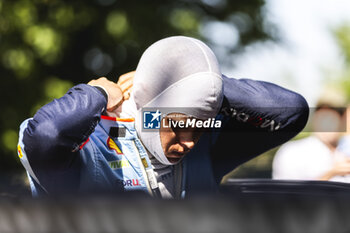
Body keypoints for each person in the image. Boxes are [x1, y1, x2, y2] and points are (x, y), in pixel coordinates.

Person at [17, 36, 309, 198]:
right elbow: (46, 135)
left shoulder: (207, 145)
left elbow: (292, 112)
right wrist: (96, 96)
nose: (191, 142)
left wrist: (205, 83)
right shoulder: (92, 145)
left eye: (199, 126)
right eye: (179, 125)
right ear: (150, 107)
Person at [272, 94, 350, 182]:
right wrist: (331, 174)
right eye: (324, 117)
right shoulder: (292, 152)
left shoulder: (345, 147)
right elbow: (288, 192)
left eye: (336, 118)